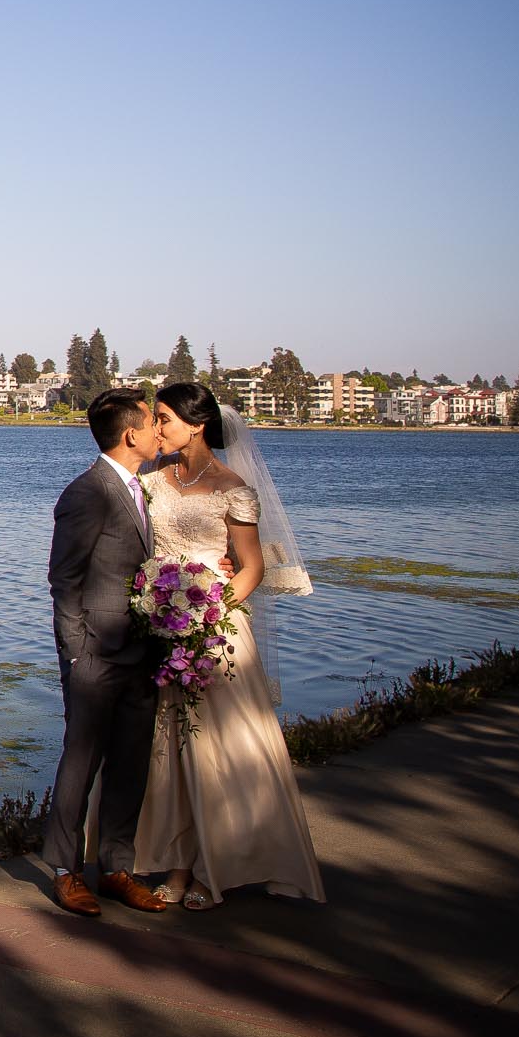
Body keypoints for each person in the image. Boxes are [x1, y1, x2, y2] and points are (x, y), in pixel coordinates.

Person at [134, 381, 326, 909]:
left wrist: (209, 612)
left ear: (196, 424)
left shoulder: (233, 486)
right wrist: (159, 605)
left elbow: (253, 566)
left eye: (166, 418)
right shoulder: (152, 480)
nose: (158, 427)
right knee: (169, 749)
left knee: (222, 749)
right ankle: (174, 863)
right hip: (163, 627)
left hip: (216, 633)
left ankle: (213, 867)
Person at [41, 388, 170, 917]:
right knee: (81, 763)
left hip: (141, 653)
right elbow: (63, 580)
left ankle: (118, 868)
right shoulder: (87, 493)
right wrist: (77, 654)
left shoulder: (141, 490)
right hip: (95, 655)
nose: (160, 433)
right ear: (131, 434)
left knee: (130, 765)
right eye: (152, 423)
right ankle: (67, 872)